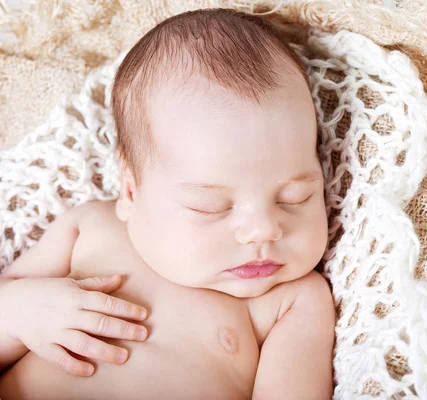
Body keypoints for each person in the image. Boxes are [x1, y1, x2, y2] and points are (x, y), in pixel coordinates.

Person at [0, 8, 334, 399]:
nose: (263, 228)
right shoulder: (89, 227)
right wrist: (22, 314)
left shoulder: (291, 300)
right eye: (210, 206)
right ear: (130, 191)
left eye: (295, 197)